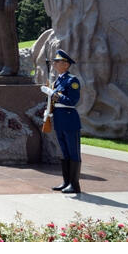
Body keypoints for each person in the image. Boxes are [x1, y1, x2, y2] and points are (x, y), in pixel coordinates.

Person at [50, 50, 83, 194]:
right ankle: (66, 182)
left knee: (73, 152)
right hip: (59, 119)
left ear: (66, 64)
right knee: (64, 152)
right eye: (55, 61)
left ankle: (74, 185)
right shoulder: (57, 81)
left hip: (69, 119)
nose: (54, 63)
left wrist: (55, 95)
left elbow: (72, 101)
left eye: (57, 61)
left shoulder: (72, 81)